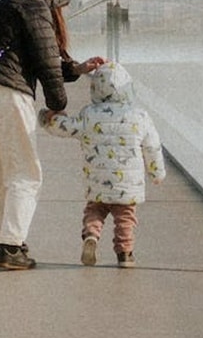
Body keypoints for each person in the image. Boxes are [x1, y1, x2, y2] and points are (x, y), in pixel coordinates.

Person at [0, 0, 104, 270]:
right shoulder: (36, 7)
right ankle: (11, 247)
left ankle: (6, 239)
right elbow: (47, 63)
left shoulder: (7, 4)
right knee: (26, 174)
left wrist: (76, 69)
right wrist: (57, 105)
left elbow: (35, 55)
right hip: (9, 96)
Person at [40, 61, 165, 268]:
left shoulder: (89, 114)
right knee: (125, 218)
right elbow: (152, 147)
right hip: (127, 185)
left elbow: (67, 127)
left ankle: (91, 235)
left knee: (95, 211)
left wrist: (47, 118)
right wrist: (157, 173)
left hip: (97, 181)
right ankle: (125, 254)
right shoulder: (139, 116)